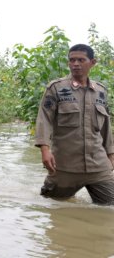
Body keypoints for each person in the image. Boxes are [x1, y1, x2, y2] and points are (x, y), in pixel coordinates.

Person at [35, 44, 114, 204]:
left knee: (109, 208)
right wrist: (45, 149)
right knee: (52, 206)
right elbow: (44, 118)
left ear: (92, 62)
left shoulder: (100, 91)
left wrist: (111, 154)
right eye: (72, 60)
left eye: (80, 60)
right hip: (64, 167)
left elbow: (106, 125)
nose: (75, 64)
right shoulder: (56, 88)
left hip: (98, 166)